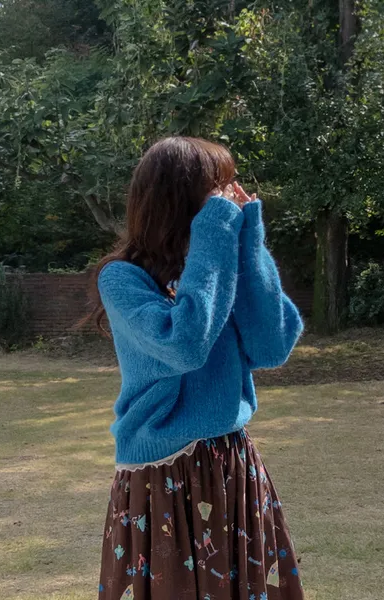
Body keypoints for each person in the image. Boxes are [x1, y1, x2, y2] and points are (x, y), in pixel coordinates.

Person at [86, 136, 305, 599]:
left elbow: (272, 345)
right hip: (163, 473)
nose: (228, 196)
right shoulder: (122, 278)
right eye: (217, 187)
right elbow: (185, 345)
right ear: (179, 199)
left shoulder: (217, 266)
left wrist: (249, 242)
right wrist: (216, 234)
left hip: (231, 459)